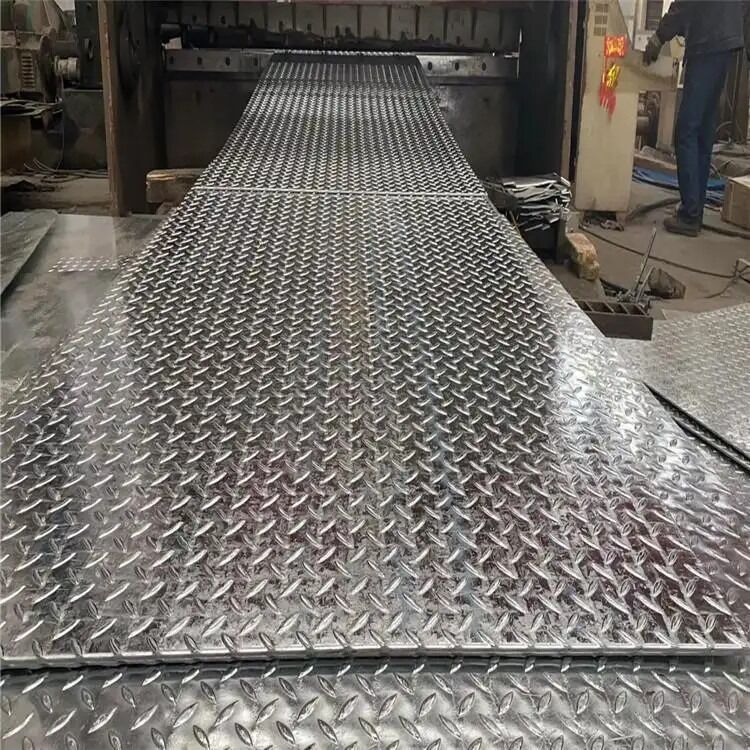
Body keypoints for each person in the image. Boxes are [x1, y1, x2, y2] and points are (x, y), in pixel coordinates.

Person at [643, 0, 750, 237]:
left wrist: (660, 37)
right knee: (702, 132)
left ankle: (689, 215)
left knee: (687, 130)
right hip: (725, 42)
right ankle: (694, 209)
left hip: (708, 42)